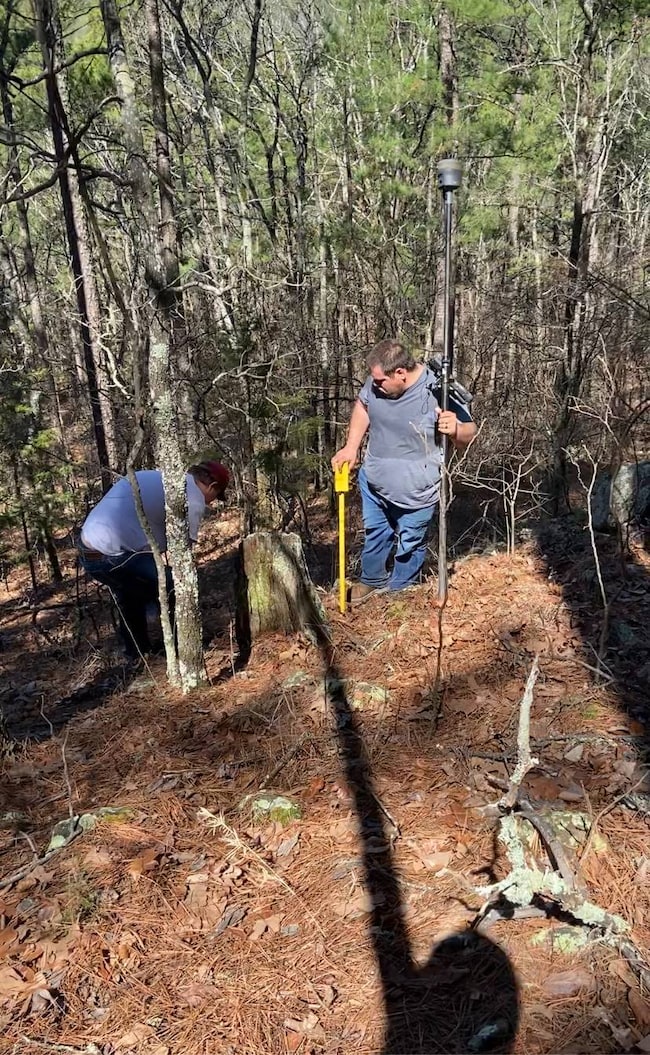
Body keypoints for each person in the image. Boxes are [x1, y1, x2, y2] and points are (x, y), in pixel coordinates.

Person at [331, 339, 476, 604]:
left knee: (410, 545)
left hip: (418, 491)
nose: (375, 386)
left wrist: (455, 429)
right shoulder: (376, 382)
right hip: (374, 480)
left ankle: (400, 594)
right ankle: (372, 581)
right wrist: (351, 447)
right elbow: (363, 406)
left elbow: (469, 433)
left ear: (400, 373)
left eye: (379, 382)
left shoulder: (438, 389)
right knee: (375, 533)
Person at [78, 460, 230, 658]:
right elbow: (183, 555)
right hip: (112, 554)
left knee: (130, 596)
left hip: (87, 551)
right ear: (212, 486)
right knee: (175, 585)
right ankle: (185, 648)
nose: (211, 502)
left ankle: (138, 655)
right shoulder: (192, 497)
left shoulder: (157, 476)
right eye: (215, 496)